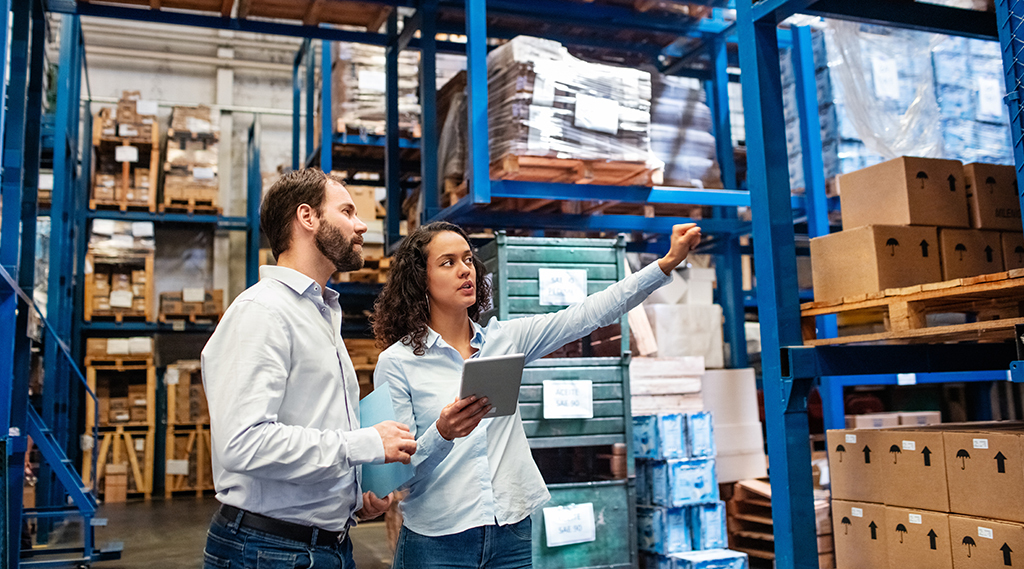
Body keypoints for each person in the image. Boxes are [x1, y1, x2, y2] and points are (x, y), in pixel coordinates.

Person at [370, 221, 702, 569]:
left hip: (510, 533)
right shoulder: (397, 363)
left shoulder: (506, 340)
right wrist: (443, 433)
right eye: (448, 262)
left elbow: (589, 313)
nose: (465, 270)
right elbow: (398, 473)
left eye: (468, 259)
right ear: (420, 280)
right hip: (437, 542)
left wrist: (665, 263)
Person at [201, 169, 417, 569]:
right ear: (307, 217)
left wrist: (352, 497)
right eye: (348, 211)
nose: (361, 224)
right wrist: (365, 444)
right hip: (269, 551)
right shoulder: (262, 312)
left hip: (324, 545)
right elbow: (244, 443)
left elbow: (313, 424)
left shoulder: (320, 311)